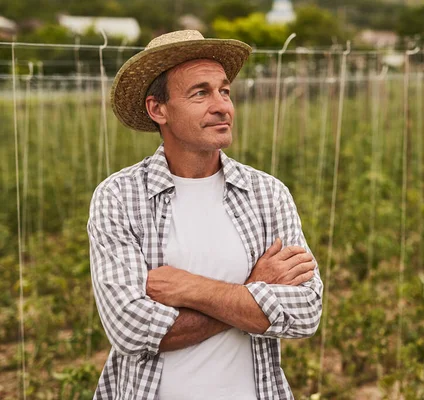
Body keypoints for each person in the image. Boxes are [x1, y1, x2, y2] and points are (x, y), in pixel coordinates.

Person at [87, 30, 323, 400]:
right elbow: (130, 330)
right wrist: (252, 291)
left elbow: (306, 311)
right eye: (200, 93)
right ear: (157, 109)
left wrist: (190, 289)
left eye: (224, 91)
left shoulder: (267, 194)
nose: (222, 106)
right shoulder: (120, 197)